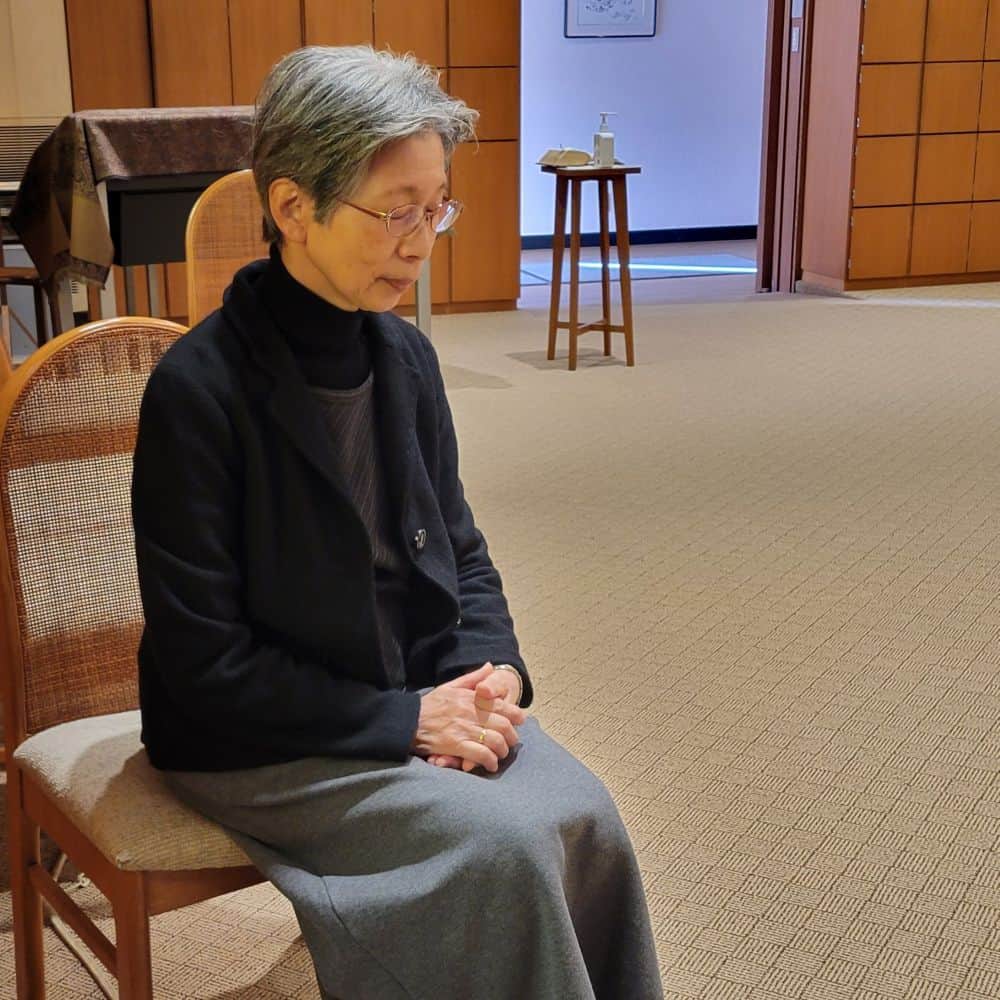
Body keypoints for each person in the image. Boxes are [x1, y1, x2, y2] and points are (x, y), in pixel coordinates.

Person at [131, 45, 662, 1000]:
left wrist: (496, 668)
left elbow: (458, 545)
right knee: (498, 850)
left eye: (437, 207)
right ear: (293, 209)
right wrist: (407, 719)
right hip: (264, 736)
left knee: (588, 815)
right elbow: (204, 668)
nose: (423, 241)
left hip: (411, 686)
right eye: (397, 212)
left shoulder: (407, 360)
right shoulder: (197, 392)